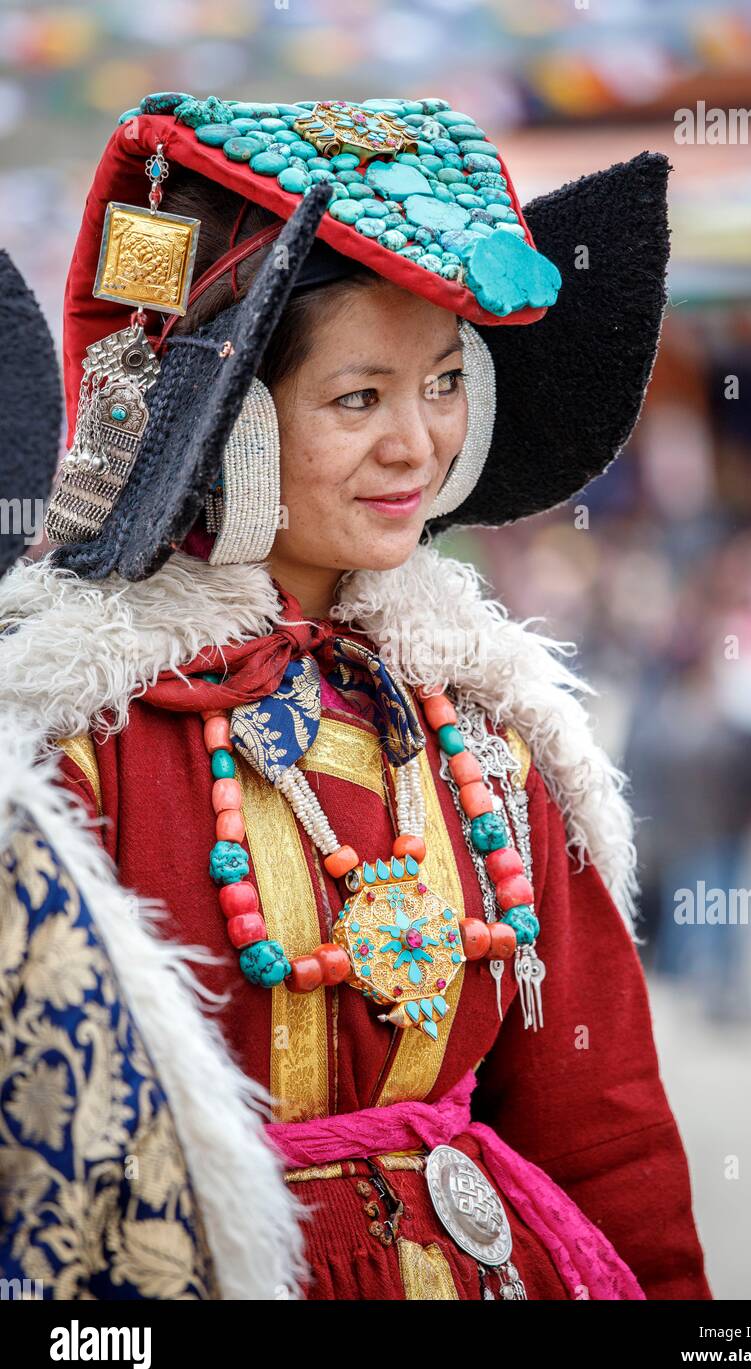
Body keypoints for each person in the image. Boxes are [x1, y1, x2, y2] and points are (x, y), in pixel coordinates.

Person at [1, 91, 711, 1300]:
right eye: (356, 398)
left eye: (443, 383)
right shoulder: (71, 749)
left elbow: (606, 1133)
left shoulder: (486, 723)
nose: (417, 447)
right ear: (229, 426)